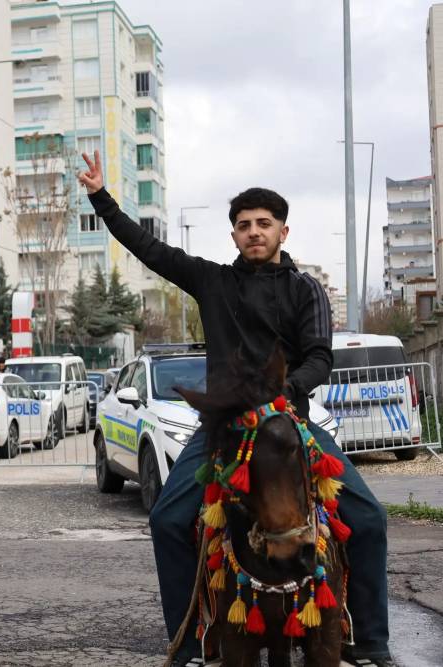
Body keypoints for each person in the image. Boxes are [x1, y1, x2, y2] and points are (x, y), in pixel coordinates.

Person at [77, 151, 393, 667]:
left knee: (370, 519)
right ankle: (190, 641)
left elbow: (319, 357)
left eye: (264, 224)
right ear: (233, 237)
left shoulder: (305, 289)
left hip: (289, 426)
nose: (253, 232)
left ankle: (369, 641)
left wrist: (288, 395)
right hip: (222, 430)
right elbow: (149, 249)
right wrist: (101, 198)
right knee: (168, 520)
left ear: (283, 232)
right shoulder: (212, 281)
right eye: (244, 225)